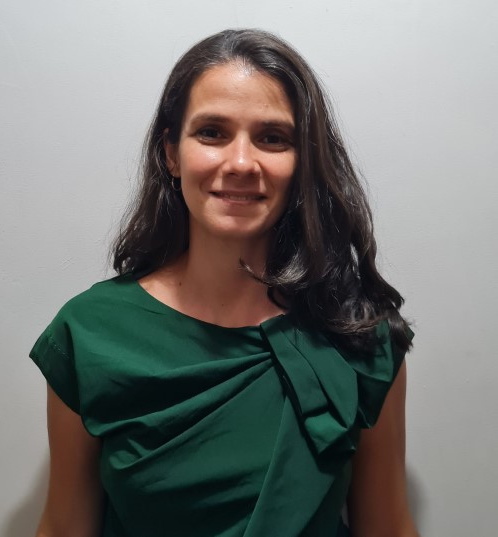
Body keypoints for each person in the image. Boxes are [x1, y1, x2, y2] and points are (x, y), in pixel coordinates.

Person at [30, 29, 417, 537]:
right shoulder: (89, 335)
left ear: (302, 161)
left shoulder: (360, 337)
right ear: (171, 153)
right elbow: (63, 528)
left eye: (272, 138)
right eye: (212, 133)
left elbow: (388, 528)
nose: (240, 163)